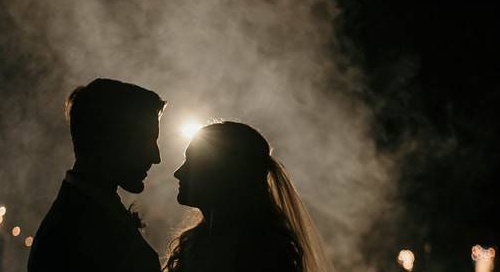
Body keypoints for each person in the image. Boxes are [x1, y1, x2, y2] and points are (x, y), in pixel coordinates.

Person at [28, 78, 166, 272]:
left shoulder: (78, 219)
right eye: (145, 141)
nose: (156, 156)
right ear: (110, 140)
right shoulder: (74, 234)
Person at [165, 121, 335, 272]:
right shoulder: (195, 244)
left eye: (191, 163)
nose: (177, 173)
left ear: (222, 173)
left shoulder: (262, 252)